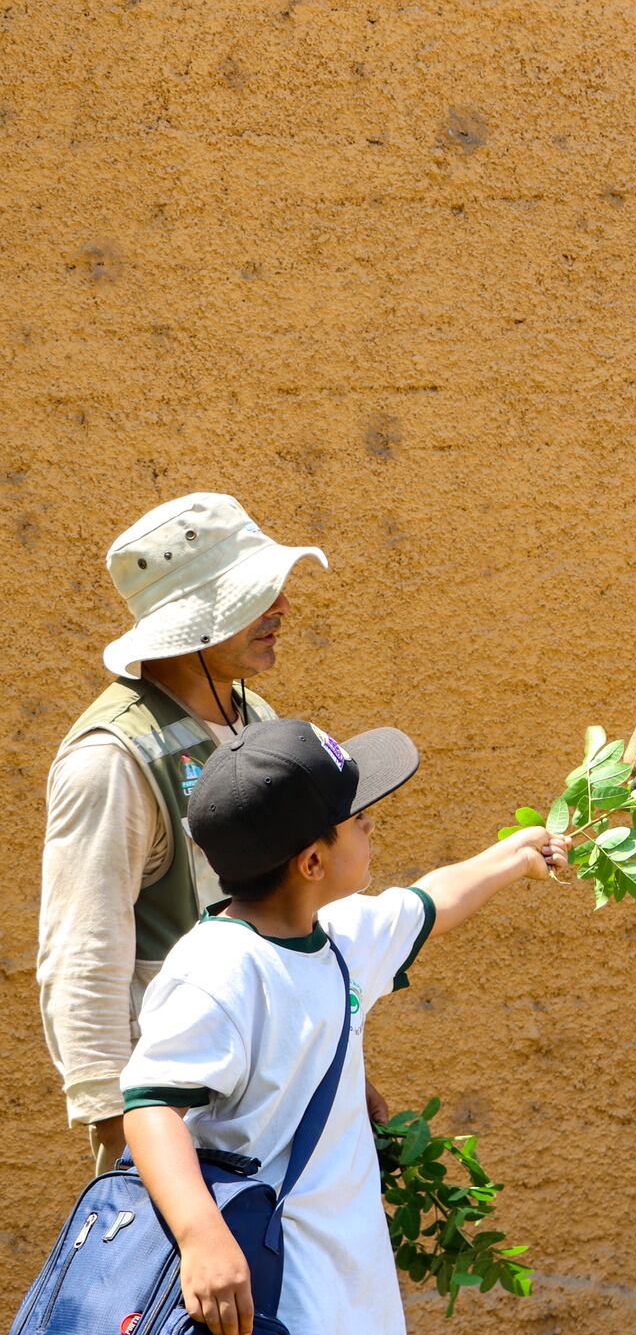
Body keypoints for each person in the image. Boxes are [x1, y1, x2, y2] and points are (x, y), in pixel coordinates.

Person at [120, 719, 569, 1335]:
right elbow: (150, 1107)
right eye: (358, 820)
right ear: (311, 861)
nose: (372, 825)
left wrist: (518, 854)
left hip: (349, 1289)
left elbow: (430, 898)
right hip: (271, 1290)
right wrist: (201, 1239)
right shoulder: (217, 970)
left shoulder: (338, 939)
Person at [34, 493, 393, 1174]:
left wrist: (340, 1068)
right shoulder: (113, 758)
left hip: (273, 1102)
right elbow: (81, 960)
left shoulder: (255, 717)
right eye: (256, 594)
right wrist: (130, 1149)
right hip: (187, 1127)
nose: (283, 606)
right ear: (191, 622)